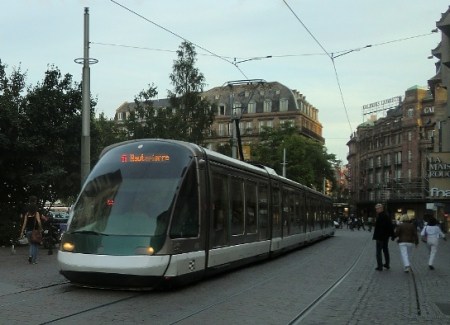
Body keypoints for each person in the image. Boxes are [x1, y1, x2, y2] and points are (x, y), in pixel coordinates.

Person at [19, 196, 42, 264]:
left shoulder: (27, 214)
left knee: (31, 245)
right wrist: (41, 228)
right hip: (35, 231)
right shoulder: (36, 213)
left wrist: (22, 232)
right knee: (36, 245)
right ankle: (34, 260)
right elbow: (39, 221)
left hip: (28, 231)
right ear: (35, 202)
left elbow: (24, 223)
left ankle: (30, 255)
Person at [372, 203, 394, 271]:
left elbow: (385, 227)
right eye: (376, 209)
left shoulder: (381, 216)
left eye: (377, 208)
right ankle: (387, 264)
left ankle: (380, 266)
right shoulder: (386, 216)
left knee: (378, 252)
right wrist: (392, 235)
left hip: (380, 237)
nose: (376, 210)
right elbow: (390, 226)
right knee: (385, 250)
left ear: (381, 208)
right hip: (385, 237)